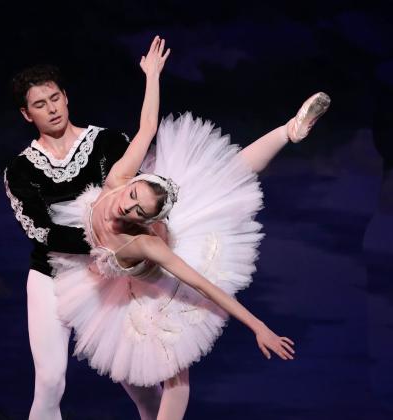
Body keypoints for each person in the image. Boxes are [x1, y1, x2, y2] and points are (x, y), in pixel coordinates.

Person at [48, 36, 331, 419]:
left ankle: (287, 131)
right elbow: (147, 127)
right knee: (220, 176)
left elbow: (203, 284)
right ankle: (287, 133)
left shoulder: (144, 244)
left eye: (134, 210)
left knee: (175, 380)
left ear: (143, 223)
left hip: (156, 289)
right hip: (116, 279)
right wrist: (152, 75)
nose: (123, 204)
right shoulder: (117, 180)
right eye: (132, 194)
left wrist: (258, 326)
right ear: (133, 181)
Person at [3, 44, 167, 420]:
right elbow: (42, 232)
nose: (52, 108)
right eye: (40, 104)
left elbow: (139, 195)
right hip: (51, 276)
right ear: (26, 115)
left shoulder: (107, 142)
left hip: (107, 277)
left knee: (141, 380)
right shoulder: (21, 170)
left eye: (55, 97)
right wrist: (107, 242)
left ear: (66, 97)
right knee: (49, 380)